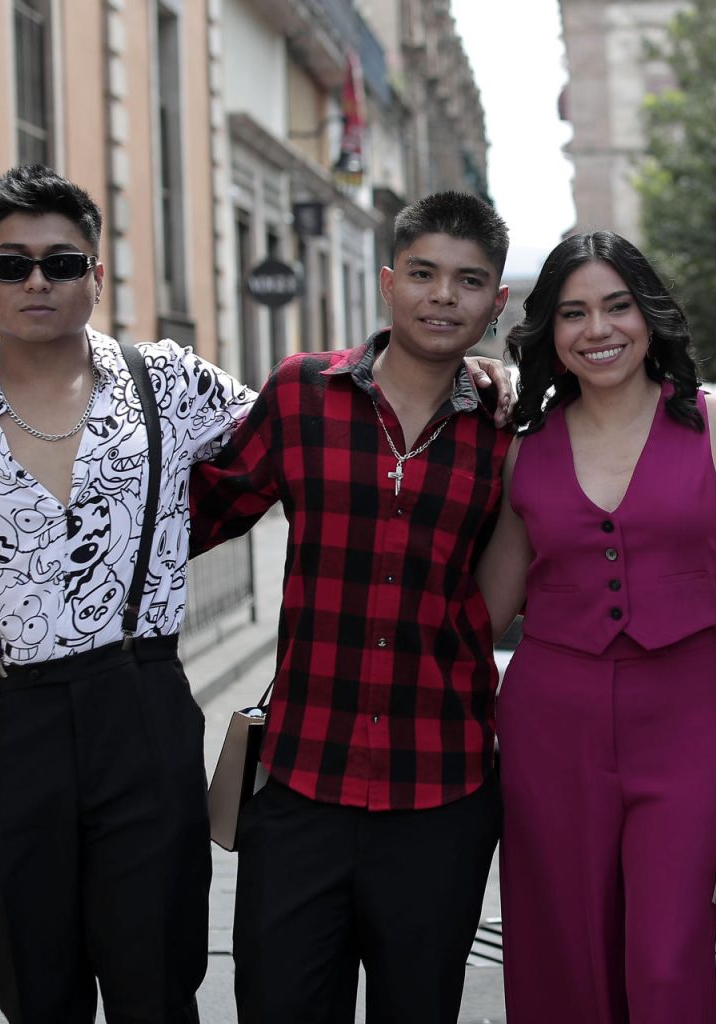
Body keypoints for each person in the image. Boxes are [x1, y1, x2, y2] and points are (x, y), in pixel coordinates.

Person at [0, 165, 256, 1023]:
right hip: (6, 727)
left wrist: (466, 378)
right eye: (11, 266)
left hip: (142, 704)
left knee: (156, 980)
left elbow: (306, 429)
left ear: (96, 272)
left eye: (60, 261)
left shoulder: (168, 383)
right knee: (37, 986)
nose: (36, 281)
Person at [189, 191, 516, 1024]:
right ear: (387, 282)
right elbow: (195, 515)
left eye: (469, 280)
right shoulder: (302, 394)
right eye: (423, 274)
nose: (444, 295)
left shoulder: (509, 433)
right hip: (302, 783)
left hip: (441, 788)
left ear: (496, 302)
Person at [476, 231, 716, 1023]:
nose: (598, 330)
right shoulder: (521, 450)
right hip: (548, 719)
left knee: (667, 957)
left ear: (651, 316)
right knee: (562, 948)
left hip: (683, 716)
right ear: (551, 335)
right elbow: (488, 607)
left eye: (617, 306)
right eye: (573, 314)